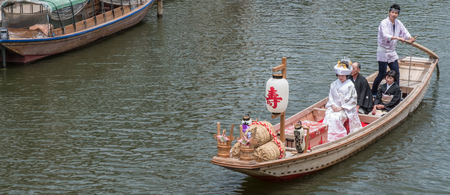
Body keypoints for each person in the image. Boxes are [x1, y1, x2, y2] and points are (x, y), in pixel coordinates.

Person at [372, 4, 416, 96]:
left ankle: (396, 92)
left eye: (396, 13)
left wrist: (409, 37)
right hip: (383, 50)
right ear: (389, 12)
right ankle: (374, 91)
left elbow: (404, 32)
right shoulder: (384, 22)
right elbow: (385, 35)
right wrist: (398, 38)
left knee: (396, 73)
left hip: (392, 51)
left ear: (398, 14)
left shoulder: (398, 23)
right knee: (382, 73)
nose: (394, 14)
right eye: (392, 12)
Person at [324, 58, 362, 142]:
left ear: (346, 75)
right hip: (334, 107)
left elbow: (353, 99)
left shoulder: (350, 85)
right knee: (328, 115)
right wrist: (333, 105)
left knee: (335, 118)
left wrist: (341, 108)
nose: (340, 77)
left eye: (342, 75)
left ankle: (338, 137)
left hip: (345, 109)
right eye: (339, 75)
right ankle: (327, 136)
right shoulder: (334, 84)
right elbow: (330, 96)